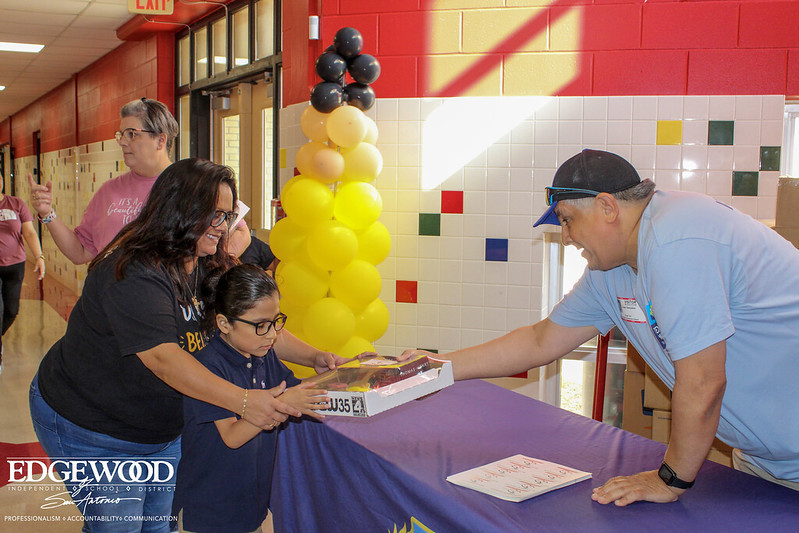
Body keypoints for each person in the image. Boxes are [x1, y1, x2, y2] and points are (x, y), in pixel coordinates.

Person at [401, 149, 799, 505]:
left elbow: (703, 382)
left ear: (608, 207)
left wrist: (671, 479)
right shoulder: (611, 270)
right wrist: (436, 368)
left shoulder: (678, 237)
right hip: (768, 463)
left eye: (568, 220)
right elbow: (541, 340)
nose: (568, 237)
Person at [29, 159, 338, 532]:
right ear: (179, 210)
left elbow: (256, 326)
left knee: (158, 527)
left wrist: (315, 356)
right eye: (213, 214)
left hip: (161, 429)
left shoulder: (211, 263)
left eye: (227, 215)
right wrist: (243, 401)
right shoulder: (131, 270)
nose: (222, 226)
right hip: (93, 426)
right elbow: (163, 358)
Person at [174, 263, 321, 533]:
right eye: (261, 326)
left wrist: (349, 372)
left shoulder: (263, 357)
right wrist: (286, 402)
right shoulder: (208, 367)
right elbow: (232, 436)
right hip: (210, 513)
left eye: (276, 322)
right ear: (224, 323)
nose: (273, 334)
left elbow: (300, 390)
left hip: (250, 507)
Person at [27, 98, 250, 263]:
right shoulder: (109, 191)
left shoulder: (193, 185)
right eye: (121, 134)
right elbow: (81, 252)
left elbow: (241, 232)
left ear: (160, 139)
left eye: (132, 134)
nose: (122, 142)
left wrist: (206, 266)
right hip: (111, 304)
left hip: (162, 304)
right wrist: (48, 214)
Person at [0, 190, 45, 367]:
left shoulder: (17, 204)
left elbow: (30, 233)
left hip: (15, 266)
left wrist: (39, 256)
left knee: (11, 310)